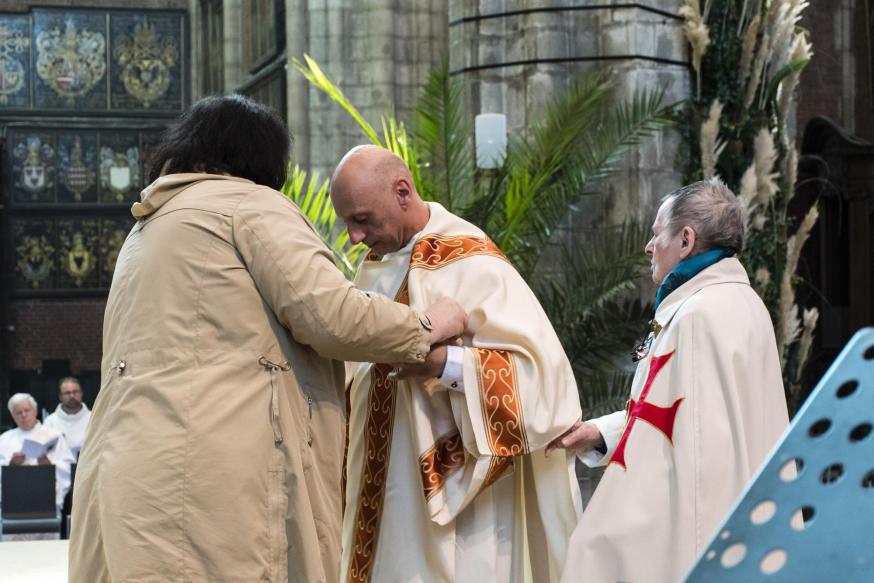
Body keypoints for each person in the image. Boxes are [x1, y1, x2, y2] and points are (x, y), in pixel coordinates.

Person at [69, 95, 468, 583]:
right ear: (262, 158)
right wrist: (429, 324)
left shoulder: (148, 227)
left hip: (127, 468)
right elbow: (332, 316)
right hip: (213, 473)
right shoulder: (246, 205)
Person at [331, 145, 582, 583]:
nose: (354, 238)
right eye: (348, 222)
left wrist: (443, 363)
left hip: (457, 509)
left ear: (403, 191)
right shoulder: (374, 267)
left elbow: (542, 384)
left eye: (362, 219)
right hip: (381, 492)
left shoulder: (473, 261)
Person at [548, 178, 790, 583]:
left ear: (686, 240)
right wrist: (600, 431)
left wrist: (609, 537)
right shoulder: (744, 302)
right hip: (750, 526)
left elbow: (698, 459)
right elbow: (680, 416)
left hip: (703, 537)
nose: (648, 245)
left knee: (589, 549)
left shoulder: (697, 316)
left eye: (656, 233)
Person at [0, 393, 75, 508]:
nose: (24, 415)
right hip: (14, 501)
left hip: (47, 497)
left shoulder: (53, 435)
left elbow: (67, 468)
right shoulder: (4, 439)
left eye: (27, 410)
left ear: (35, 410)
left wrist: (49, 465)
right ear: (12, 415)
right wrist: (10, 464)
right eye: (18, 413)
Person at [44, 377, 91, 457]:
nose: (72, 396)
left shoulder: (93, 418)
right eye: (67, 393)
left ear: (81, 393)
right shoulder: (50, 421)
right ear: (60, 396)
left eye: (75, 392)